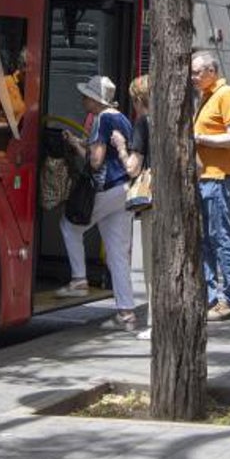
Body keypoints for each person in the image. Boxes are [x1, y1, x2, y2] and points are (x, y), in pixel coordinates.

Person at [55, 75, 137, 331]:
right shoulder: (122, 118)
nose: (82, 99)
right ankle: (126, 313)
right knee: (117, 253)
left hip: (105, 188)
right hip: (124, 189)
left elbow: (96, 161)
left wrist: (77, 147)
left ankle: (79, 280)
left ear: (95, 100)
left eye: (86, 96)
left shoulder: (102, 118)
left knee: (70, 226)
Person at [192, 51, 230, 322]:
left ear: (211, 71)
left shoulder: (226, 94)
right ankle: (211, 298)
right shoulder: (206, 96)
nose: (193, 77)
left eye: (197, 72)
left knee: (221, 238)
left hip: (219, 177)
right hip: (206, 178)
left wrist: (200, 138)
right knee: (207, 241)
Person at [112, 75, 152, 339]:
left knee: (152, 264)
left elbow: (132, 167)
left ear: (139, 99)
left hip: (154, 200)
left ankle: (155, 323)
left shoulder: (143, 122)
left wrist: (121, 147)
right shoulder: (177, 118)